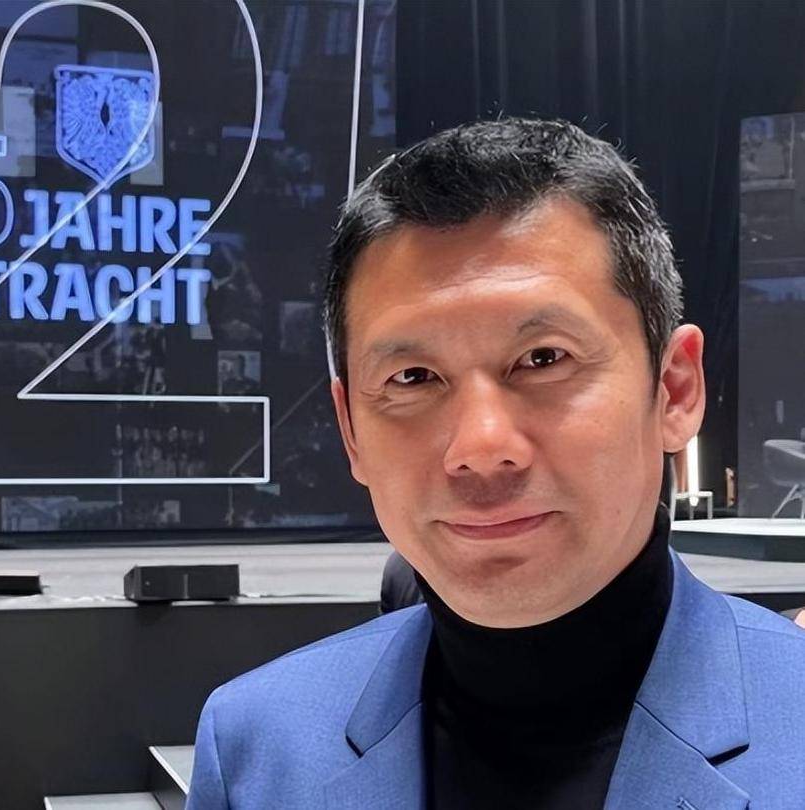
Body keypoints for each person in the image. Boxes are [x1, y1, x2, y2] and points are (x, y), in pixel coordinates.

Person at [185, 117, 805, 809]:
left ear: (675, 389)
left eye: (543, 359)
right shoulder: (257, 749)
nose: (480, 447)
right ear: (350, 429)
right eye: (413, 377)